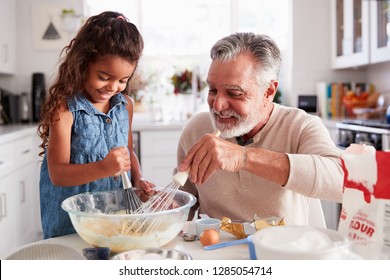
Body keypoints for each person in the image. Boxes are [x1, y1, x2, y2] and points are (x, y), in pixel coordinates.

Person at [177, 33, 344, 225]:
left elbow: (342, 181)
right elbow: (186, 200)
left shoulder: (301, 126)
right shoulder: (195, 129)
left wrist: (244, 157)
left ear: (269, 92)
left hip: (282, 250)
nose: (218, 105)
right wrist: (167, 206)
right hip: (213, 251)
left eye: (234, 93)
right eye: (213, 90)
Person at [37, 11, 154, 239]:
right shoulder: (64, 108)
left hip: (114, 217)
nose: (113, 87)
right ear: (83, 64)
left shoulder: (125, 105)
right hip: (71, 223)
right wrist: (103, 168)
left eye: (122, 80)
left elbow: (127, 152)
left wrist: (138, 179)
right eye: (103, 76)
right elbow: (57, 173)